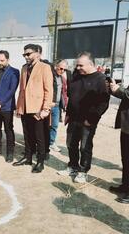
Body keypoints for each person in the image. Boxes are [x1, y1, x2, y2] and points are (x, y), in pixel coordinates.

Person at [58, 52, 110, 183]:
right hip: (74, 118)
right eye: (77, 65)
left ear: (91, 64)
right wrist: (69, 113)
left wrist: (92, 119)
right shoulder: (76, 75)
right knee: (71, 144)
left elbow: (103, 103)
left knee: (85, 147)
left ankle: (83, 171)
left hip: (88, 120)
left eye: (81, 65)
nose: (78, 68)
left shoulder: (100, 79)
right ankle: (73, 166)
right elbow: (71, 94)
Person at [13, 44, 53, 173]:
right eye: (24, 54)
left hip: (38, 109)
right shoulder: (24, 68)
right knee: (27, 135)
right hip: (25, 108)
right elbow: (22, 90)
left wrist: (45, 109)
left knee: (39, 137)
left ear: (38, 53)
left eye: (28, 54)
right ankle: (28, 157)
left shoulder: (45, 67)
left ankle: (40, 161)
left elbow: (49, 90)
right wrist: (19, 107)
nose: (26, 56)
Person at [109, 79, 129, 203]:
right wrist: (113, 89)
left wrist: (118, 89)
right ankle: (125, 186)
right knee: (125, 159)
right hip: (127, 126)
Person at [49, 59, 69, 152]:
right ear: (55, 66)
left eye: (64, 69)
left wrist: (64, 103)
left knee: (55, 125)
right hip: (48, 105)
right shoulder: (49, 76)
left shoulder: (62, 78)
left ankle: (51, 142)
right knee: (44, 126)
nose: (62, 71)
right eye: (61, 68)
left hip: (57, 106)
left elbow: (64, 92)